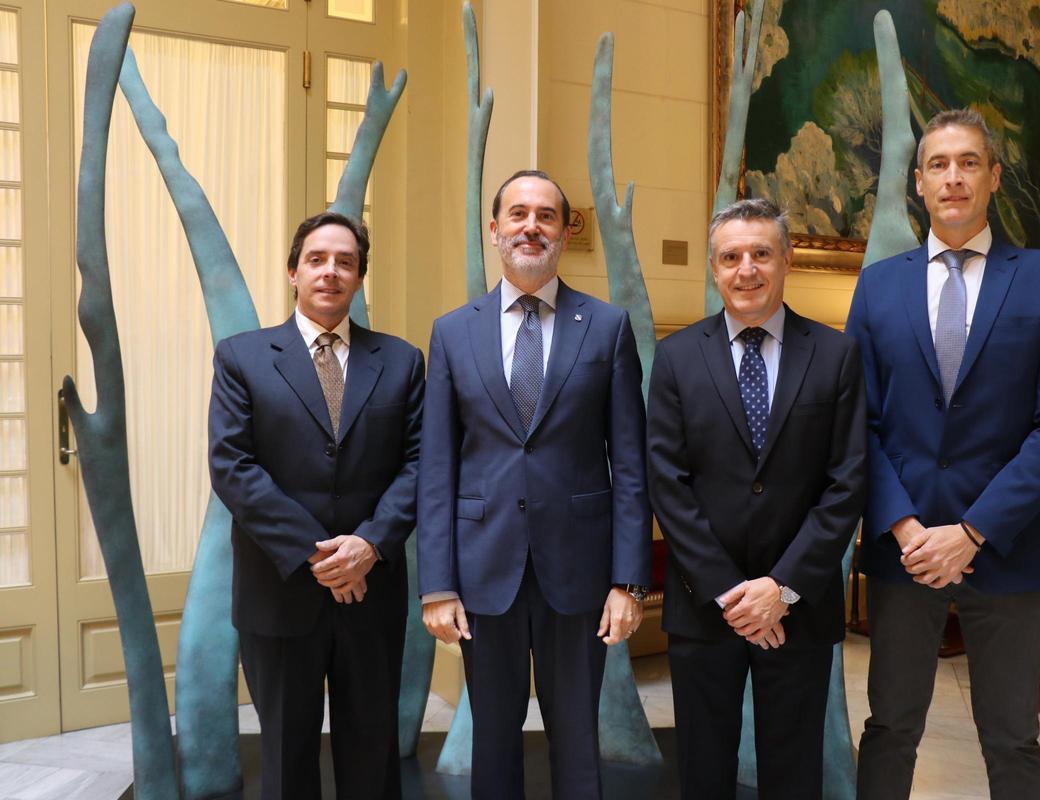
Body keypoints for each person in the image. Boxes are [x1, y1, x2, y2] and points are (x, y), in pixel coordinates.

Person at [846, 108, 1040, 800]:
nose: (953, 177)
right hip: (905, 554)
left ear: (994, 178)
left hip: (1007, 550)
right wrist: (906, 528)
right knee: (890, 729)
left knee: (1012, 739)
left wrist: (974, 531)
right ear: (918, 184)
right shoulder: (878, 285)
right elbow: (855, 422)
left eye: (969, 163)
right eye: (938, 164)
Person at [417, 169, 652, 799]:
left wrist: (628, 581)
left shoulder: (607, 327)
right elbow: (436, 467)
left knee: (577, 742)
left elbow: (631, 464)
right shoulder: (452, 332)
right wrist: (437, 584)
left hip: (579, 572)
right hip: (481, 570)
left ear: (565, 233)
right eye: (518, 214)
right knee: (492, 744)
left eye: (546, 216)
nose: (531, 227)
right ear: (495, 229)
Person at [646, 197, 866, 799]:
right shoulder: (676, 357)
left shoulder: (836, 354)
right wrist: (729, 591)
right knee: (703, 773)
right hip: (705, 606)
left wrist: (781, 589)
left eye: (761, 254)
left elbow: (846, 482)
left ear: (787, 259)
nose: (746, 269)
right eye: (731, 257)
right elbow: (667, 482)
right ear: (714, 268)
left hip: (799, 608)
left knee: (794, 775)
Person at [208, 211, 423, 800]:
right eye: (317, 259)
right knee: (285, 758)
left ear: (360, 278)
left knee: (373, 757)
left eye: (345, 262)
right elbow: (232, 466)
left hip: (372, 591)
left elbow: (420, 464)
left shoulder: (402, 361)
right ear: (293, 272)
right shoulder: (242, 357)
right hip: (278, 592)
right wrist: (320, 554)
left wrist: (369, 544)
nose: (331, 271)